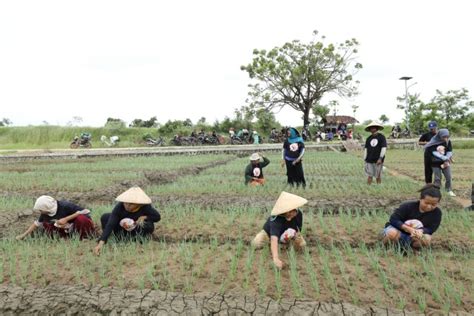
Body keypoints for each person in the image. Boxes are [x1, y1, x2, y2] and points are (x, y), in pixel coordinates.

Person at [94, 186, 161, 255]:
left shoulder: (146, 207)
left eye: (131, 204)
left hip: (136, 230)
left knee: (148, 224)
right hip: (122, 228)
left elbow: (157, 217)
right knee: (105, 217)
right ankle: (119, 238)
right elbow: (110, 224)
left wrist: (144, 217)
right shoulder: (120, 206)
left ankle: (139, 240)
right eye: (125, 203)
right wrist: (101, 243)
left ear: (138, 204)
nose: (127, 206)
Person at [251, 191, 308, 269]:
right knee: (256, 244)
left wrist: (292, 236)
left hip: (288, 234)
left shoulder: (299, 214)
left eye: (291, 213)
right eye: (287, 213)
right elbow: (274, 238)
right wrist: (276, 258)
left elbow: (298, 230)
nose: (289, 215)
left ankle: (284, 243)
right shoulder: (276, 218)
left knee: (302, 245)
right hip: (269, 234)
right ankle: (271, 243)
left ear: (294, 209)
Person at [382, 184, 442, 250]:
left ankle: (410, 250)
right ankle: (385, 248)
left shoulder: (437, 213)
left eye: (433, 204)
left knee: (427, 239)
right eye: (426, 203)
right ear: (420, 199)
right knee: (391, 233)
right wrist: (407, 229)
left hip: (414, 236)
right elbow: (394, 219)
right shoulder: (407, 206)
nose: (429, 206)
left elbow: (431, 228)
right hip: (398, 231)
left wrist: (421, 231)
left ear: (438, 203)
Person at [16, 195, 94, 240]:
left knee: (81, 219)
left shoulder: (65, 206)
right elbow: (36, 224)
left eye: (41, 210)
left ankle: (85, 237)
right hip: (65, 230)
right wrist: (23, 235)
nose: (40, 212)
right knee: (47, 225)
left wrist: (67, 219)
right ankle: (66, 238)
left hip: (77, 226)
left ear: (46, 207)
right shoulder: (45, 213)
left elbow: (86, 211)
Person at [424, 129, 456, 197]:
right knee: (437, 178)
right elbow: (434, 152)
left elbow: (449, 151)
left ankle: (449, 190)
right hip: (435, 163)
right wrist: (443, 157)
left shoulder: (448, 142)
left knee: (448, 177)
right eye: (444, 137)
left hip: (445, 163)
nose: (445, 138)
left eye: (447, 137)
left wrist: (447, 157)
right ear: (439, 135)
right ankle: (436, 191)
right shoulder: (433, 142)